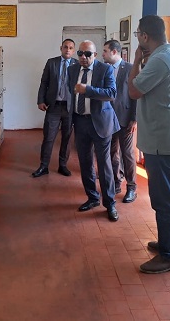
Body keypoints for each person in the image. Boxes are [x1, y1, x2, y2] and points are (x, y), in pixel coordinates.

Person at [128, 15, 170, 274]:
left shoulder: (160, 59)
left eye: (137, 35)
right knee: (169, 196)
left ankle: (169, 255)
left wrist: (135, 61)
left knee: (165, 200)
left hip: (164, 141)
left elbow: (134, 90)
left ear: (144, 36)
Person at [68, 40, 120, 222]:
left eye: (88, 54)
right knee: (85, 162)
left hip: (101, 123)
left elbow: (111, 93)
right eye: (80, 53)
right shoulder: (72, 70)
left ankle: (110, 203)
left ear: (95, 55)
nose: (83, 57)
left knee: (104, 165)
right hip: (80, 121)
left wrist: (87, 90)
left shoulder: (105, 69)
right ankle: (92, 198)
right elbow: (71, 94)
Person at [32, 39, 78, 178]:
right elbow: (44, 82)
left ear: (74, 50)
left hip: (69, 108)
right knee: (49, 137)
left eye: (70, 48)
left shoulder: (77, 65)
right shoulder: (51, 62)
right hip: (53, 107)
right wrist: (40, 100)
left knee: (66, 138)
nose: (68, 50)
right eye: (65, 47)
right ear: (61, 48)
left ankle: (62, 165)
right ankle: (44, 166)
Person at [102, 39, 138, 203]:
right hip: (108, 119)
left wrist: (134, 119)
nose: (103, 54)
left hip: (125, 119)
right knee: (112, 153)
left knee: (127, 154)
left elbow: (136, 95)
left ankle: (131, 188)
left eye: (105, 51)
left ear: (114, 52)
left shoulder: (130, 69)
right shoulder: (104, 69)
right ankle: (116, 181)